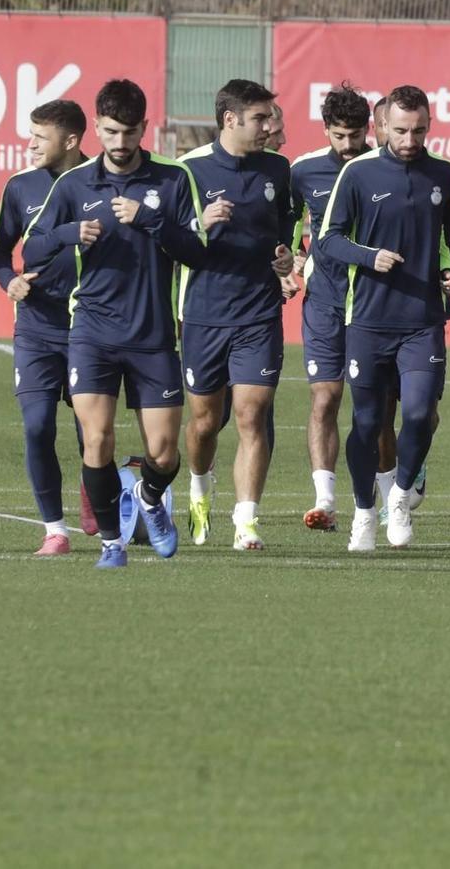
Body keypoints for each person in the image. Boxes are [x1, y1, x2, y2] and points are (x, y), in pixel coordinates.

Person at [21, 79, 206, 570]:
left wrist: (150, 221)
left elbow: (197, 252)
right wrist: (66, 233)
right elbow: (31, 248)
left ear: (145, 128)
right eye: (110, 132)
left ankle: (148, 496)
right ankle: (110, 543)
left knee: (164, 454)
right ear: (96, 129)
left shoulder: (173, 179)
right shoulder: (74, 184)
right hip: (92, 334)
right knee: (97, 439)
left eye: (129, 132)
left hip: (153, 338)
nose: (120, 143)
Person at [313, 85, 450, 552]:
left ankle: (399, 497)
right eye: (400, 130)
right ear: (381, 127)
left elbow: (448, 228)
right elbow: (328, 240)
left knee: (419, 413)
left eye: (419, 129)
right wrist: (368, 256)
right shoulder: (357, 173)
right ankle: (364, 511)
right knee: (366, 421)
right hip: (369, 320)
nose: (410, 138)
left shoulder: (445, 173)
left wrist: (447, 264)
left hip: (422, 319)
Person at [179, 80, 296, 552]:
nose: (270, 127)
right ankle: (199, 488)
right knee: (206, 423)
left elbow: (286, 228)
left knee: (252, 415)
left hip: (259, 313)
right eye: (260, 119)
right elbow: (166, 240)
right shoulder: (188, 170)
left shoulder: (277, 168)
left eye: (270, 118)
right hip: (204, 316)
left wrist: (290, 257)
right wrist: (198, 224)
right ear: (230, 120)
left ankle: (246, 520)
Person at [0, 98, 89, 556]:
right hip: (35, 330)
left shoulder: (99, 181)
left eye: (39, 138)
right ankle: (55, 529)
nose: (29, 145)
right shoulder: (19, 187)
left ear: (70, 141)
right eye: (30, 135)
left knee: (94, 432)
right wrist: (9, 282)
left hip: (93, 329)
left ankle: (103, 498)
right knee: (36, 426)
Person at [290, 83, 374, 530]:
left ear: (368, 130)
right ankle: (325, 500)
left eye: (355, 135)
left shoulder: (386, 167)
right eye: (339, 136)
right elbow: (287, 221)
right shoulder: (303, 171)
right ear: (326, 130)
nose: (347, 145)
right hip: (323, 298)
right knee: (325, 397)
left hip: (377, 303)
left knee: (376, 407)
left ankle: (392, 484)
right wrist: (290, 259)